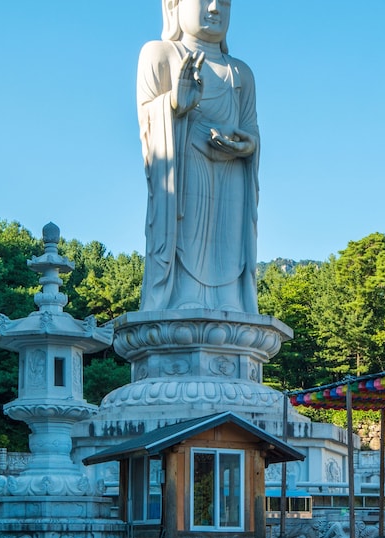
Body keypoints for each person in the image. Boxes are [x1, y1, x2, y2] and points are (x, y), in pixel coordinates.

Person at [137, 0, 260, 314]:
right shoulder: (160, 54)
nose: (216, 8)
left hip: (232, 174)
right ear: (173, 5)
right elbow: (148, 121)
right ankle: (182, 294)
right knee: (187, 234)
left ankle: (231, 298)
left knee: (229, 239)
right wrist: (174, 104)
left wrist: (247, 146)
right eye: (204, 0)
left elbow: (251, 129)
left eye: (225, 2)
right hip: (185, 165)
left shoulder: (240, 72)